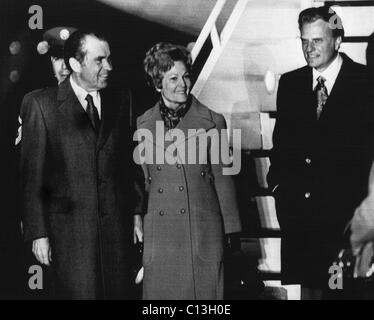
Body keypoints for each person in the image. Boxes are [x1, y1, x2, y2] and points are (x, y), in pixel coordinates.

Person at [19, 30, 143, 299]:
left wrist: (136, 213)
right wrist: (38, 233)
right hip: (70, 237)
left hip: (116, 234)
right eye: (99, 60)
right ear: (75, 65)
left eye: (109, 59)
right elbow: (32, 177)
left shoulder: (123, 100)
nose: (109, 67)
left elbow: (129, 164)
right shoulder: (40, 104)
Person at [267, 6, 373, 299]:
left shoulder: (366, 83)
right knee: (310, 294)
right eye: (304, 41)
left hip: (345, 227)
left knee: (340, 293)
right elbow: (282, 151)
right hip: (301, 223)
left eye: (317, 41)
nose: (309, 48)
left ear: (337, 41)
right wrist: (279, 191)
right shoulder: (290, 85)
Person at [135, 42, 242, 299]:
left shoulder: (213, 121)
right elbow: (142, 183)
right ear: (157, 83)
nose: (183, 83)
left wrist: (232, 234)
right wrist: (136, 216)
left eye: (185, 76)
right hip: (160, 237)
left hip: (201, 234)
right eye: (173, 78)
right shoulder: (143, 123)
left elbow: (225, 183)